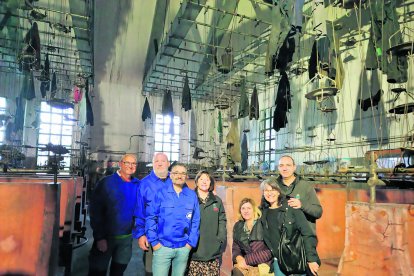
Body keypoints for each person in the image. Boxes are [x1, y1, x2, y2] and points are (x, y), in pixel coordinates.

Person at [88, 154, 140, 276]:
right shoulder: (106, 183)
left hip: (126, 239)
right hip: (106, 237)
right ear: (120, 164)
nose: (130, 166)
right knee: (97, 271)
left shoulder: (138, 185)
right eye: (127, 163)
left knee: (118, 271)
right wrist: (100, 237)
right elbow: (95, 211)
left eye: (133, 163)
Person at [146, 163, 200, 276]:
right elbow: (151, 217)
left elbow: (195, 221)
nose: (179, 176)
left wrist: (190, 244)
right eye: (176, 173)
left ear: (186, 176)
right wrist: (154, 243)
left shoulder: (191, 196)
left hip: (183, 248)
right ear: (170, 175)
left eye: (183, 173)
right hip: (162, 247)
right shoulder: (160, 193)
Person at [260, 178, 320, 276]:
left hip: (296, 260)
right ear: (263, 193)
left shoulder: (291, 207)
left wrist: (311, 259)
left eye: (273, 190)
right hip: (278, 262)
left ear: (279, 192)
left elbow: (307, 233)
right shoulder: (263, 212)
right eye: (266, 190)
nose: (270, 193)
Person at [133, 152, 171, 275]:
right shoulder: (144, 184)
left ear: (168, 164)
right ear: (152, 164)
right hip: (152, 236)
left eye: (163, 161)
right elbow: (139, 210)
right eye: (156, 161)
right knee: (151, 270)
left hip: (174, 236)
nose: (160, 163)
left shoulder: (176, 180)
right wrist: (141, 234)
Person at [188, 170, 227, 276]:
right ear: (196, 182)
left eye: (207, 179)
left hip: (212, 252)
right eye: (201, 179)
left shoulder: (217, 201)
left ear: (211, 183)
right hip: (194, 251)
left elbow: (222, 221)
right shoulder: (190, 199)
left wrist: (220, 239)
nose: (204, 182)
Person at [276, 155, 322, 229]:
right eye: (281, 165)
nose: (284, 168)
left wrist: (302, 204)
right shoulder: (273, 186)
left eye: (288, 165)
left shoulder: (305, 186)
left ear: (294, 167)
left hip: (300, 237)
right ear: (278, 168)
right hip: (278, 236)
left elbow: (318, 212)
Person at [232, 198, 273, 276]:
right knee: (236, 272)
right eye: (243, 208)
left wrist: (246, 260)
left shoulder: (263, 223)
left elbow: (270, 251)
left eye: (249, 208)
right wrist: (238, 258)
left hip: (264, 264)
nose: (246, 211)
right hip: (245, 265)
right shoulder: (238, 226)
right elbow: (235, 247)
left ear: (254, 209)